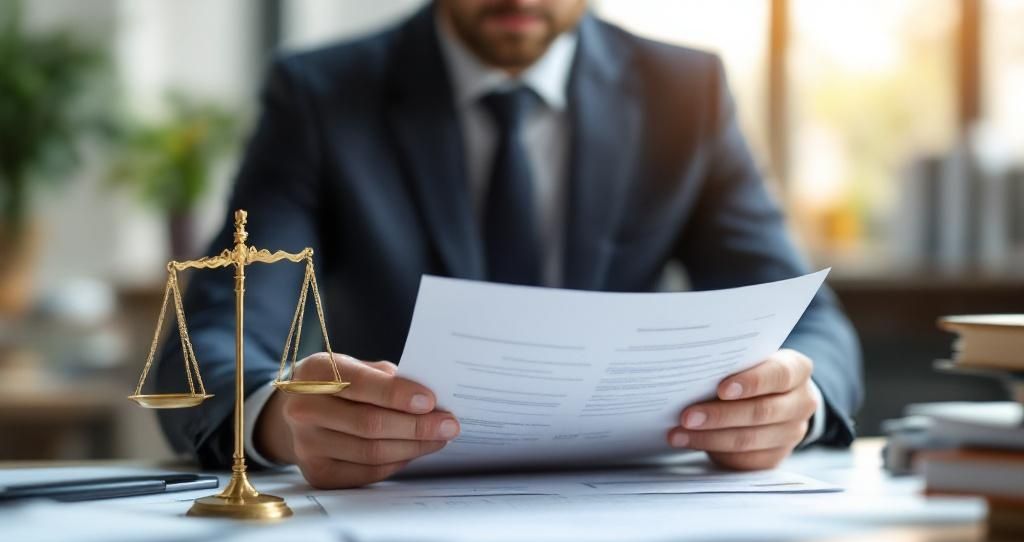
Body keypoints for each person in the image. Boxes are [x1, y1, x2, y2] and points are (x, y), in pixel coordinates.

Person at [156, 0, 862, 489]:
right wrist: (277, 419)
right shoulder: (321, 94)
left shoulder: (686, 91)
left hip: (628, 517)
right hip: (394, 516)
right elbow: (213, 331)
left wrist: (795, 404)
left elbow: (814, 324)